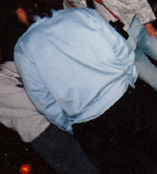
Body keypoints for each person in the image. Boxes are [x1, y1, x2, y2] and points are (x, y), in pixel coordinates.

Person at [13, 0, 157, 174]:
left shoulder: (24, 49)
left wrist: (71, 124)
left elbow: (42, 99)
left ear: (22, 10)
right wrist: (127, 83)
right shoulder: (81, 15)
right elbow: (122, 50)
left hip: (90, 125)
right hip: (125, 101)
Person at [0, 45, 99, 173]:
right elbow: (35, 102)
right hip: (46, 134)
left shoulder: (9, 67)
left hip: (61, 121)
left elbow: (44, 73)